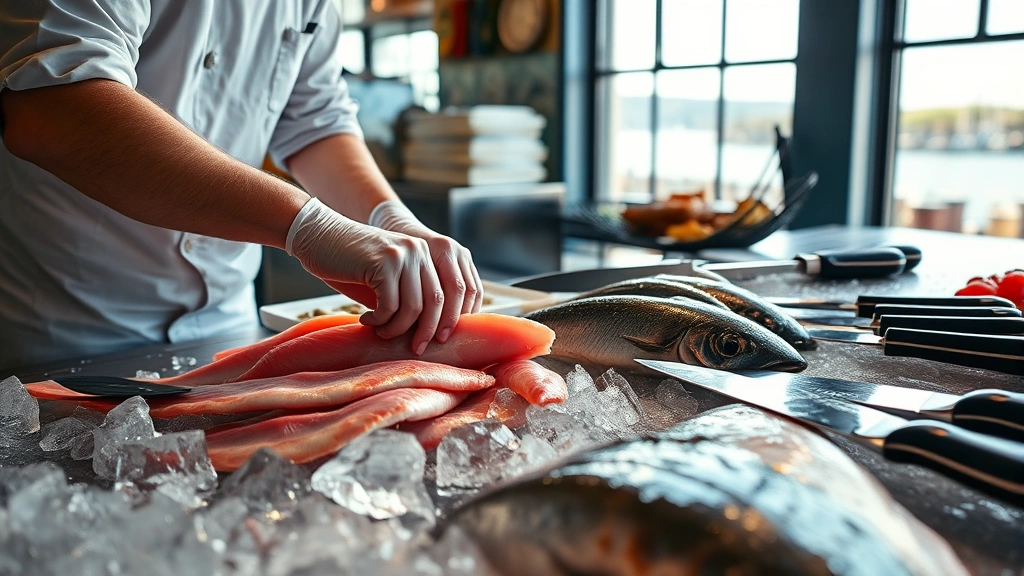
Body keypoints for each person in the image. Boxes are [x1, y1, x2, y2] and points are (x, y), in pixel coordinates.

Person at [0, 1, 482, 372]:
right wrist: (310, 227)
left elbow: (314, 122)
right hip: (65, 331)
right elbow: (54, 106)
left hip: (230, 329)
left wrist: (387, 217)